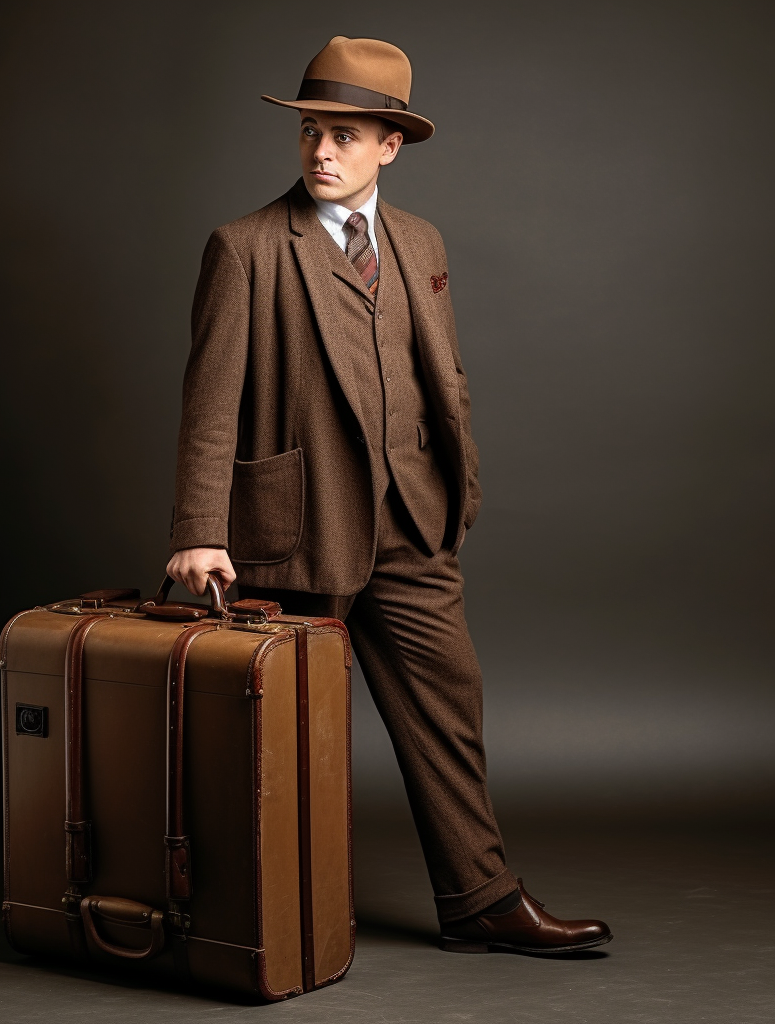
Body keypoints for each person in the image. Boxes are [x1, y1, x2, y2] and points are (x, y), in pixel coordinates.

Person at [166, 35, 612, 956]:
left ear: (389, 146)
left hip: (413, 524)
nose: (321, 152)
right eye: (311, 134)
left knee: (452, 702)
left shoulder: (419, 242)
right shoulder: (247, 249)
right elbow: (209, 403)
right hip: (296, 534)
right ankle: (264, 911)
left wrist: (458, 491)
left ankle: (479, 896)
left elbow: (440, 377)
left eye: (343, 134)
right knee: (285, 739)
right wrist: (201, 530)